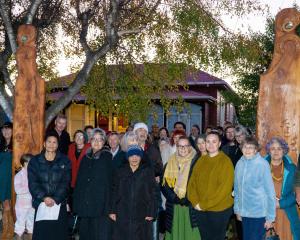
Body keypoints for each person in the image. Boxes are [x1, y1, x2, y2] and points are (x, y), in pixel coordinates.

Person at [187, 131, 234, 240]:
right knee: (204, 237)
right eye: (208, 141)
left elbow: (224, 190)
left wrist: (203, 205)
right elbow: (192, 184)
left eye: (214, 141)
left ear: (219, 144)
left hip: (219, 209)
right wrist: (195, 202)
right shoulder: (201, 160)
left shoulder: (225, 162)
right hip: (200, 208)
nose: (211, 144)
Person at [28, 132, 71, 240]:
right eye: (49, 142)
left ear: (57, 145)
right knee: (42, 235)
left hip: (59, 204)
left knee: (59, 235)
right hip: (41, 204)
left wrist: (55, 198)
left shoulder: (65, 160)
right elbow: (33, 183)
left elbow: (66, 182)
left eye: (54, 142)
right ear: (44, 144)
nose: (51, 144)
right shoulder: (35, 161)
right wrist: (44, 197)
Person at [109, 145, 157, 240]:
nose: (134, 158)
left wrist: (152, 212)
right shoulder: (120, 171)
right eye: (131, 155)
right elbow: (114, 191)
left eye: (137, 155)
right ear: (127, 157)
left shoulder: (147, 171)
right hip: (122, 212)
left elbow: (153, 192)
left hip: (142, 213)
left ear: (141, 157)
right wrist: (112, 210)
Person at [73, 128, 113, 240]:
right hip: (85, 205)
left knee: (98, 235)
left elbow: (110, 184)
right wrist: (76, 202)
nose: (96, 142)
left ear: (104, 142)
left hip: (100, 206)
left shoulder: (107, 157)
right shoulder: (85, 157)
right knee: (85, 234)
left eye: (100, 139)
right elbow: (79, 182)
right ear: (90, 141)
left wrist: (109, 207)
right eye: (94, 139)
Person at [234, 136, 276, 240]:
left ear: (256, 149)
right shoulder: (239, 163)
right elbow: (237, 189)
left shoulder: (262, 164)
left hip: (259, 214)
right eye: (245, 147)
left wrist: (270, 217)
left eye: (251, 147)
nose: (247, 150)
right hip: (244, 213)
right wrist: (237, 210)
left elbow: (270, 192)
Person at [162, 137, 201, 240]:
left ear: (190, 147)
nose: (183, 149)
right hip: (174, 205)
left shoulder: (197, 162)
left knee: (190, 234)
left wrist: (188, 198)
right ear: (177, 147)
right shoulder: (169, 163)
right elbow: (164, 185)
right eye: (180, 146)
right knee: (175, 233)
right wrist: (174, 197)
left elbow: (199, 184)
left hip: (189, 206)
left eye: (185, 146)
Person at [265, 137, 300, 240]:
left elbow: (296, 192)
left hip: (287, 212)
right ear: (269, 151)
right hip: (266, 212)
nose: (276, 151)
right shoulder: (260, 167)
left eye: (279, 149)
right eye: (273, 148)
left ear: (284, 151)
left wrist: (280, 203)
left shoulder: (292, 168)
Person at [14, 154, 35, 240]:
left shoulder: (33, 175)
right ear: (25, 163)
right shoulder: (19, 175)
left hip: (32, 204)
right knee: (20, 226)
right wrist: (30, 187)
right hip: (22, 205)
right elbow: (17, 190)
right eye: (30, 163)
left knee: (31, 225)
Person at [0, 126, 14, 239]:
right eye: (4, 129)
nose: (6, 131)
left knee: (8, 204)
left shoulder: (16, 144)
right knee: (5, 204)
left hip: (11, 178)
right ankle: (7, 230)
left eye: (9, 129)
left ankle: (8, 231)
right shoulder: (0, 144)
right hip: (1, 178)